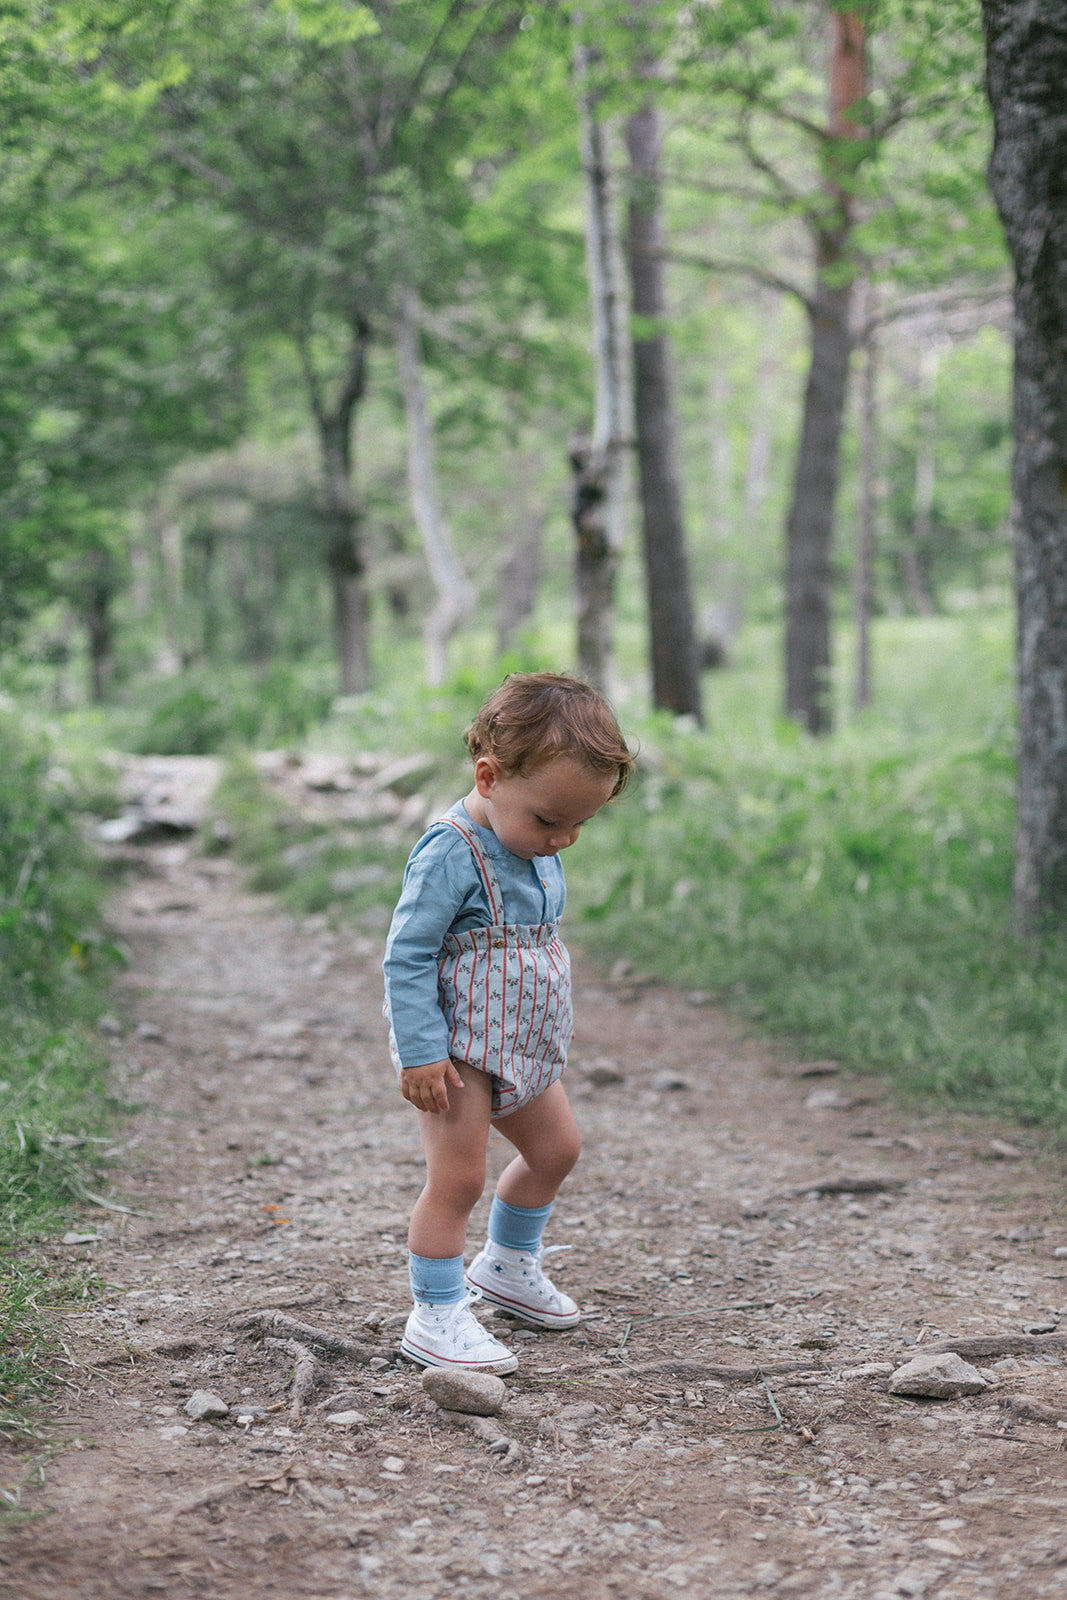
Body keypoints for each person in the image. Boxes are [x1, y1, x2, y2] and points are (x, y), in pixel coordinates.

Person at [382, 672, 634, 1373]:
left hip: (518, 1046)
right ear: (488, 777)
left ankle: (506, 1266)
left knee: (556, 1150)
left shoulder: (533, 842)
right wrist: (420, 1053)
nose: (565, 838)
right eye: (551, 820)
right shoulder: (450, 850)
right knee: (457, 1180)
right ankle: (434, 1311)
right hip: (458, 1051)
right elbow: (406, 957)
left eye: (583, 822)